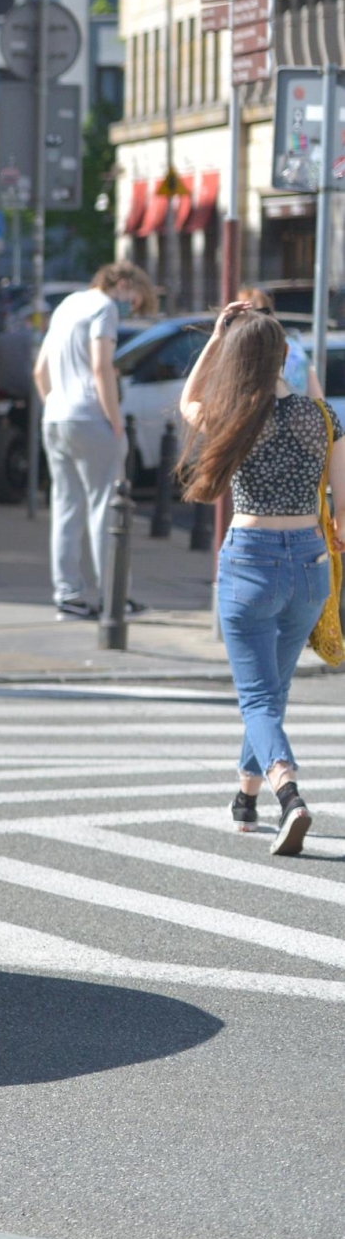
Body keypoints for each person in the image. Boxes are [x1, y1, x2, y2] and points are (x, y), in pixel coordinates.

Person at [179, 301, 345, 855]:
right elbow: (342, 507)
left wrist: (217, 337)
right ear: (283, 357)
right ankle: (245, 796)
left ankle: (287, 793)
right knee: (273, 690)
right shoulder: (321, 418)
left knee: (255, 696)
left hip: (251, 560)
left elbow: (187, 401)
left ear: (237, 357)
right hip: (310, 561)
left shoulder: (232, 415)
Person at [36, 261, 155, 618]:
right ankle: (113, 596)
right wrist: (115, 422)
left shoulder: (67, 305)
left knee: (66, 508)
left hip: (56, 416)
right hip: (91, 416)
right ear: (121, 283)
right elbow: (102, 367)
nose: (129, 307)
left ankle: (68, 596)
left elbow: (39, 370)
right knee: (107, 510)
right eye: (132, 299)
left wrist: (55, 405)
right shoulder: (103, 307)